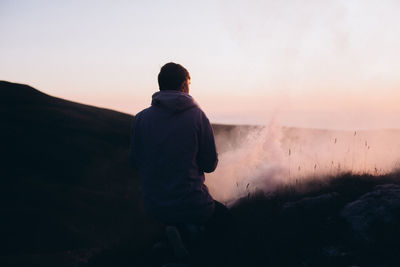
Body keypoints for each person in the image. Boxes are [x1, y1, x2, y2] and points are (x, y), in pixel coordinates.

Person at [129, 62, 230, 258]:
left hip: (154, 206)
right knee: (226, 223)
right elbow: (209, 165)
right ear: (184, 85)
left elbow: (134, 163)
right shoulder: (198, 116)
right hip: (192, 204)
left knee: (173, 220)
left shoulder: (140, 119)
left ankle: (173, 240)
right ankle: (190, 242)